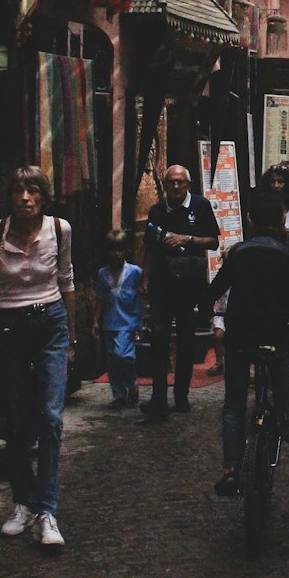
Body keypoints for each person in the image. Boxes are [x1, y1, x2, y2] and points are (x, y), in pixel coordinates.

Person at [0, 166, 75, 552]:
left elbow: (67, 282)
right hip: (10, 326)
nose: (25, 198)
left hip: (50, 323)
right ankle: (22, 502)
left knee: (50, 417)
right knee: (15, 421)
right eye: (19, 191)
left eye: (32, 191)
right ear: (11, 196)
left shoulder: (60, 230)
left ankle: (47, 510)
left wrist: (74, 338)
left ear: (44, 198)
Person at [204, 190, 289, 496]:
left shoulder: (239, 253)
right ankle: (285, 415)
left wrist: (202, 307)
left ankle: (231, 469)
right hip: (274, 329)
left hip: (239, 333)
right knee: (279, 360)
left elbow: (216, 289)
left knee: (234, 403)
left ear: (250, 221)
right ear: (281, 219)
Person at [142, 164, 221, 420]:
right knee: (158, 338)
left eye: (180, 183)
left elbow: (213, 240)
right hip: (162, 285)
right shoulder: (156, 210)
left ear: (188, 185)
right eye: (171, 183)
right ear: (165, 186)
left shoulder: (200, 206)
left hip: (190, 285)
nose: (175, 187)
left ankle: (181, 395)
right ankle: (158, 398)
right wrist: (145, 279)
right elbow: (149, 248)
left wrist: (186, 239)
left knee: (186, 339)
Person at [93, 229, 143, 409]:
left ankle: (131, 384)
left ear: (126, 250)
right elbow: (100, 297)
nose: (116, 254)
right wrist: (96, 320)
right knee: (112, 359)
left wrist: (141, 321)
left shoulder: (135, 272)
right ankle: (119, 394)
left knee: (124, 355)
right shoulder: (103, 274)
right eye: (113, 250)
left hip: (128, 321)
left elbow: (141, 296)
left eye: (120, 250)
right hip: (109, 322)